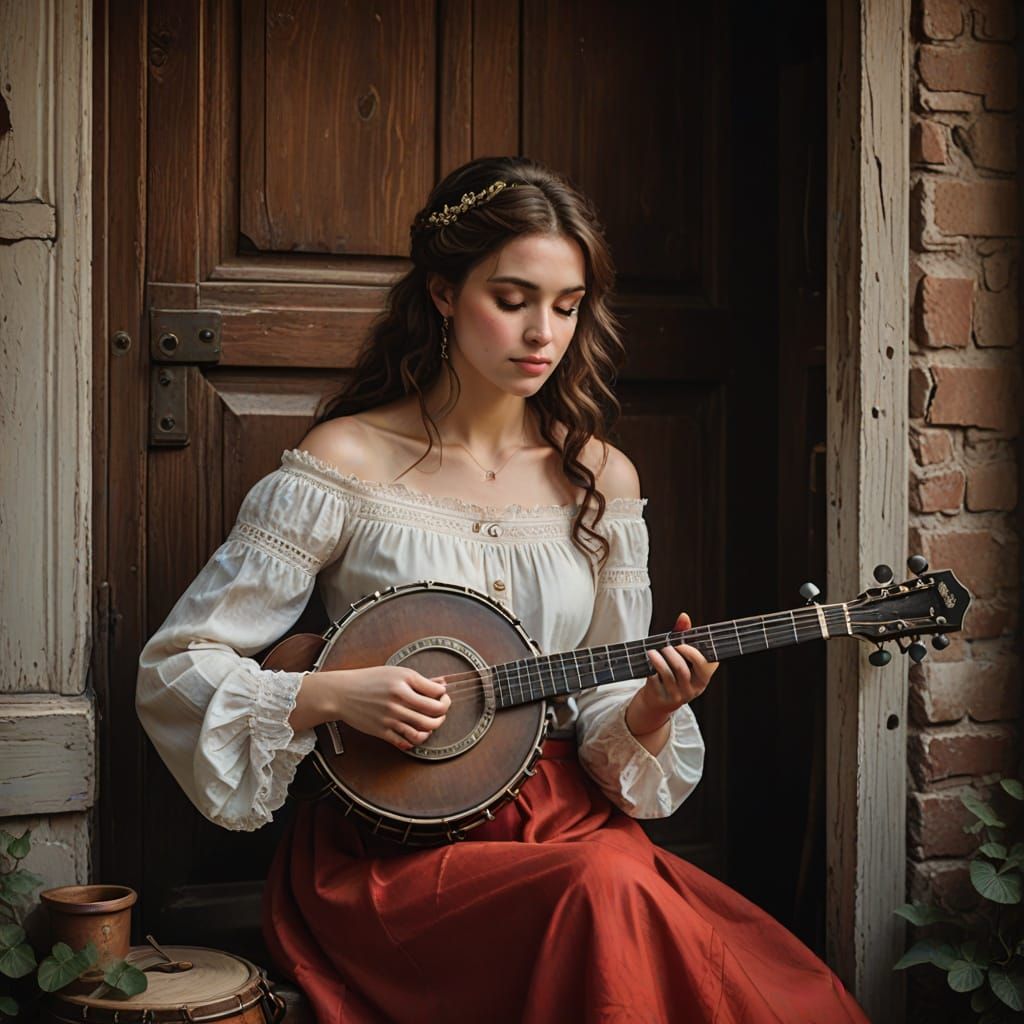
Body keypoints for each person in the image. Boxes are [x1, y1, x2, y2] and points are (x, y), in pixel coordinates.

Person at [136, 156, 868, 1023]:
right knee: (604, 894)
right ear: (444, 293)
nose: (543, 334)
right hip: (394, 848)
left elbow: (604, 691)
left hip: (568, 826)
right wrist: (331, 694)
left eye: (567, 306)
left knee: (669, 927)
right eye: (513, 299)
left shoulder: (600, 477)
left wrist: (651, 709)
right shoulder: (344, 463)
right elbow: (179, 665)